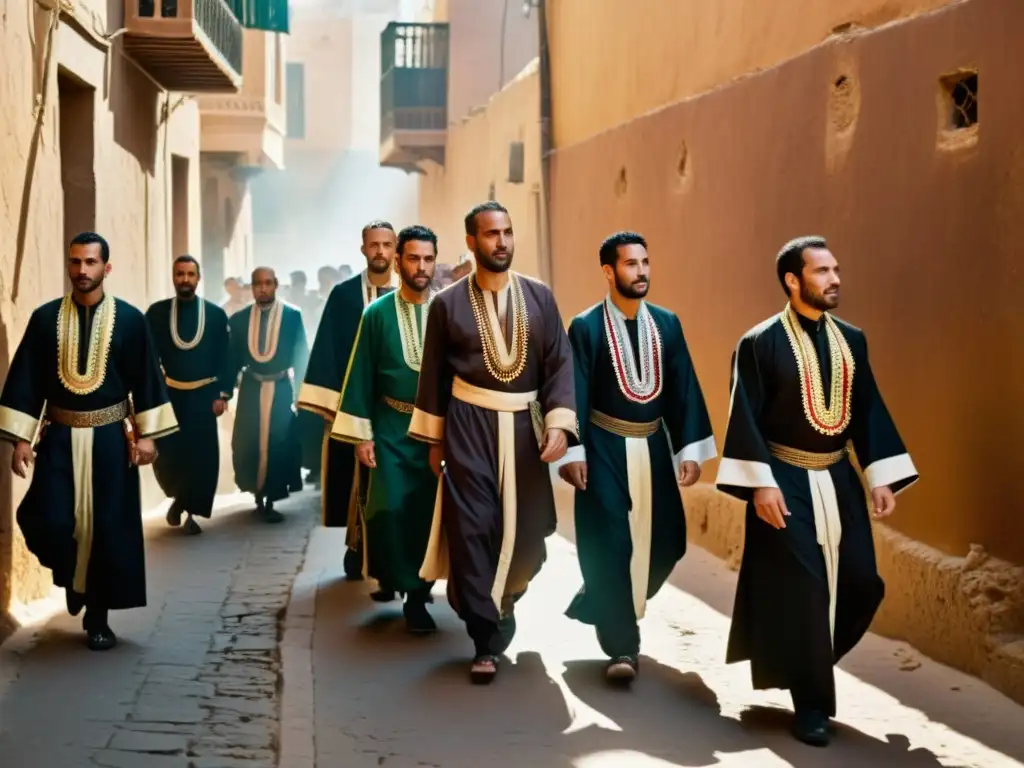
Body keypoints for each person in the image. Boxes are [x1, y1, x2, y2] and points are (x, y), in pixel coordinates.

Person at [716, 235, 918, 746]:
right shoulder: (758, 343)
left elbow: (868, 407)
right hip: (784, 481)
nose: (835, 280)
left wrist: (879, 475)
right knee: (804, 593)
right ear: (793, 279)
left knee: (860, 583)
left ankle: (803, 661)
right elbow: (744, 416)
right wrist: (760, 485)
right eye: (822, 271)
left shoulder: (853, 339)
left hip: (839, 477)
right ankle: (811, 702)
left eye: (836, 270)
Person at [409, 201, 578, 683]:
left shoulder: (541, 297)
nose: (501, 242)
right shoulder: (447, 304)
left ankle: (505, 598)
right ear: (471, 242)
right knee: (473, 530)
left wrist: (560, 424)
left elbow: (559, 364)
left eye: (506, 232)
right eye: (490, 234)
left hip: (525, 431)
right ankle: (484, 640)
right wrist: (435, 442)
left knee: (527, 537)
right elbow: (434, 376)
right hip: (468, 428)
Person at [0, 232, 178, 650]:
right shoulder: (45, 320)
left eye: (91, 263)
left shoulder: (132, 321)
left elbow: (147, 380)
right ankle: (72, 578)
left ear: (106, 268)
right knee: (51, 519)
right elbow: (26, 380)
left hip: (111, 443)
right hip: (59, 439)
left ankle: (98, 616)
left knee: (107, 531)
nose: (82, 270)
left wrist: (147, 437)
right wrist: (21, 441)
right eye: (75, 262)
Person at [556, 231, 716, 683]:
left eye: (645, 262)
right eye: (631, 264)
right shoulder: (585, 326)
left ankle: (606, 598)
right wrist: (574, 451)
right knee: (609, 542)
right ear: (609, 272)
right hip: (603, 445)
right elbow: (576, 391)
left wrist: (688, 448)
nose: (641, 271)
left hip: (652, 444)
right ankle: (622, 647)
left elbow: (684, 387)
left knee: (669, 541)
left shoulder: (667, 323)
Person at [330, 225, 440, 633]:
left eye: (428, 259)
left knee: (428, 515)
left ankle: (417, 598)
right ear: (399, 262)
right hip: (390, 429)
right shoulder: (375, 314)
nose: (421, 267)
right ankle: (398, 579)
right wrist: (362, 435)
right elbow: (360, 375)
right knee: (390, 509)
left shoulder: (447, 311)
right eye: (413, 258)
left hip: (434, 432)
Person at [298, 222, 399, 578]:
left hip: (398, 412)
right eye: (374, 245)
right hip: (353, 408)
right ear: (363, 249)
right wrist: (333, 407)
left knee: (393, 485)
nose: (380, 252)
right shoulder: (343, 296)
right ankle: (356, 548)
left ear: (395, 247)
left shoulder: (412, 294)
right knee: (357, 480)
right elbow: (329, 348)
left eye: (387, 244)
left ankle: (392, 556)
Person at [145, 255, 232, 536]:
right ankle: (177, 498)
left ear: (198, 278)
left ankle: (190, 511)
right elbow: (148, 357)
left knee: (201, 456)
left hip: (205, 397)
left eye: (190, 274)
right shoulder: (157, 314)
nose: (185, 279)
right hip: (171, 396)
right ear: (173, 277)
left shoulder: (216, 315)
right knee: (169, 454)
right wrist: (154, 392)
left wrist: (222, 394)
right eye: (180, 274)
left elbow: (226, 358)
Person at [226, 267, 310, 522]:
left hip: (281, 388)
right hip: (251, 388)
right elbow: (231, 359)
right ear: (251, 287)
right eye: (257, 284)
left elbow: (301, 355)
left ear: (276, 285)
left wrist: (301, 395)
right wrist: (224, 392)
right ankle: (256, 494)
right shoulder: (239, 320)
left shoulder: (292, 316)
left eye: (267, 283)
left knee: (279, 442)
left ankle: (272, 497)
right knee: (247, 441)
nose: (262, 288)